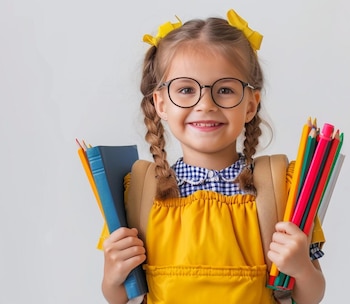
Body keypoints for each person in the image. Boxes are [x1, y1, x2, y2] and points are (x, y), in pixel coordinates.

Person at [99, 9, 326, 304]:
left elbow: (312, 295)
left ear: (250, 104)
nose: (205, 104)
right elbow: (118, 296)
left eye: (225, 90)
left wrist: (302, 270)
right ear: (161, 103)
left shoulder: (284, 187)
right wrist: (112, 276)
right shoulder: (137, 191)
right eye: (185, 89)